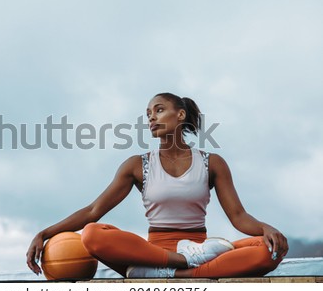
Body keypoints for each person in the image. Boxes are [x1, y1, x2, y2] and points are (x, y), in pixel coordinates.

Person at [26, 92, 289, 278]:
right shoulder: (137, 165)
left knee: (269, 251)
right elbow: (93, 211)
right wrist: (44, 233)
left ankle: (179, 273)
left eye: (159, 110)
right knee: (93, 233)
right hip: (150, 253)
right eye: (148, 114)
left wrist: (267, 228)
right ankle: (183, 265)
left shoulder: (212, 162)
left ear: (181, 114)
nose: (151, 118)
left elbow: (238, 216)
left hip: (200, 248)